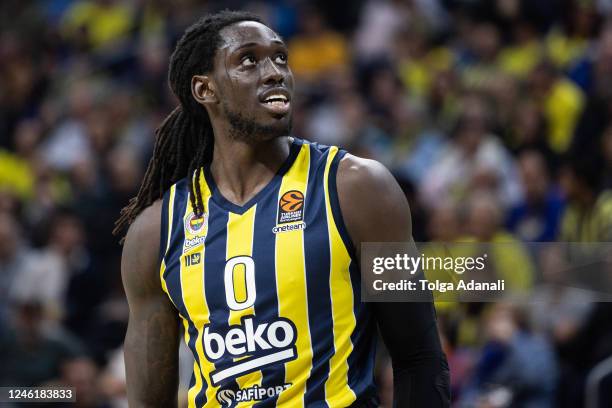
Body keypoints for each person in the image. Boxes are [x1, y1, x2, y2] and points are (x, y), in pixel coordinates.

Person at [115, 10, 449, 407]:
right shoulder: (156, 232)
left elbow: (419, 359)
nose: (274, 72)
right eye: (249, 60)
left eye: (280, 58)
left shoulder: (355, 188)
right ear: (205, 90)